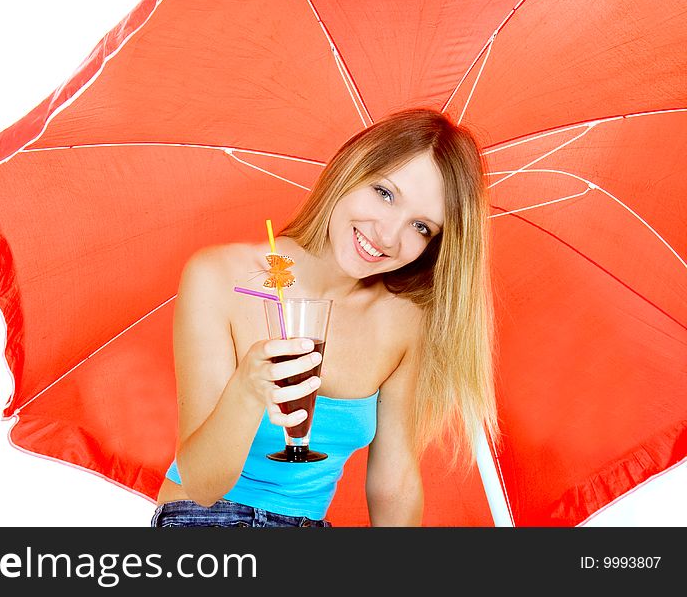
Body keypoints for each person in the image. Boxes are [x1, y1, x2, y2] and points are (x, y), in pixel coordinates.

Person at [152, 108, 498, 527]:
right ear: (350, 169)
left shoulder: (404, 321)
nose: (388, 236)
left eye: (421, 226)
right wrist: (248, 387)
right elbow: (204, 485)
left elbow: (395, 479)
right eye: (385, 193)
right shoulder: (219, 277)